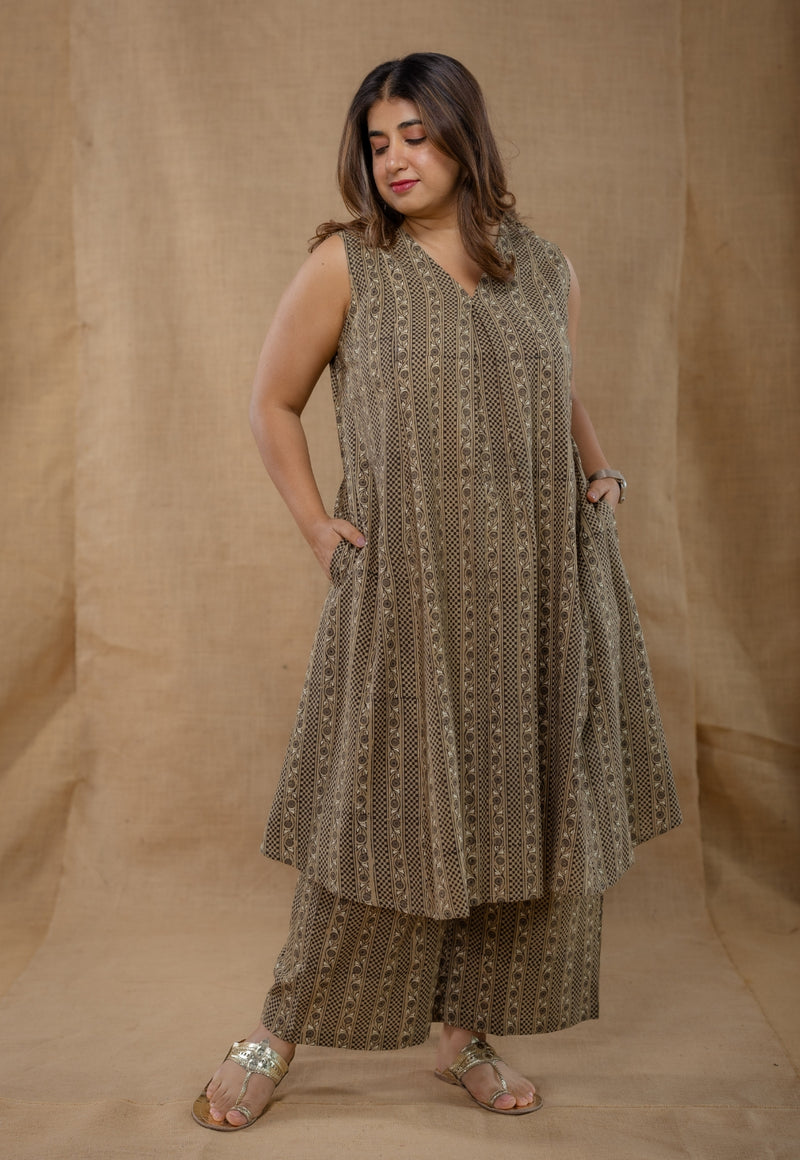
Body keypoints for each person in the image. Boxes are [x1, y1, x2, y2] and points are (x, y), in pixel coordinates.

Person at [192, 52, 682, 1130]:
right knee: (374, 812)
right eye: (377, 143)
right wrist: (316, 527)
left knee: (514, 810)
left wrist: (599, 472)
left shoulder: (542, 268)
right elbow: (272, 401)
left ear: (465, 134)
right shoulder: (348, 265)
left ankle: (466, 1032)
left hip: (534, 594)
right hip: (407, 591)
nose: (395, 159)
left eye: (414, 134)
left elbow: (557, 388)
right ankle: (276, 1028)